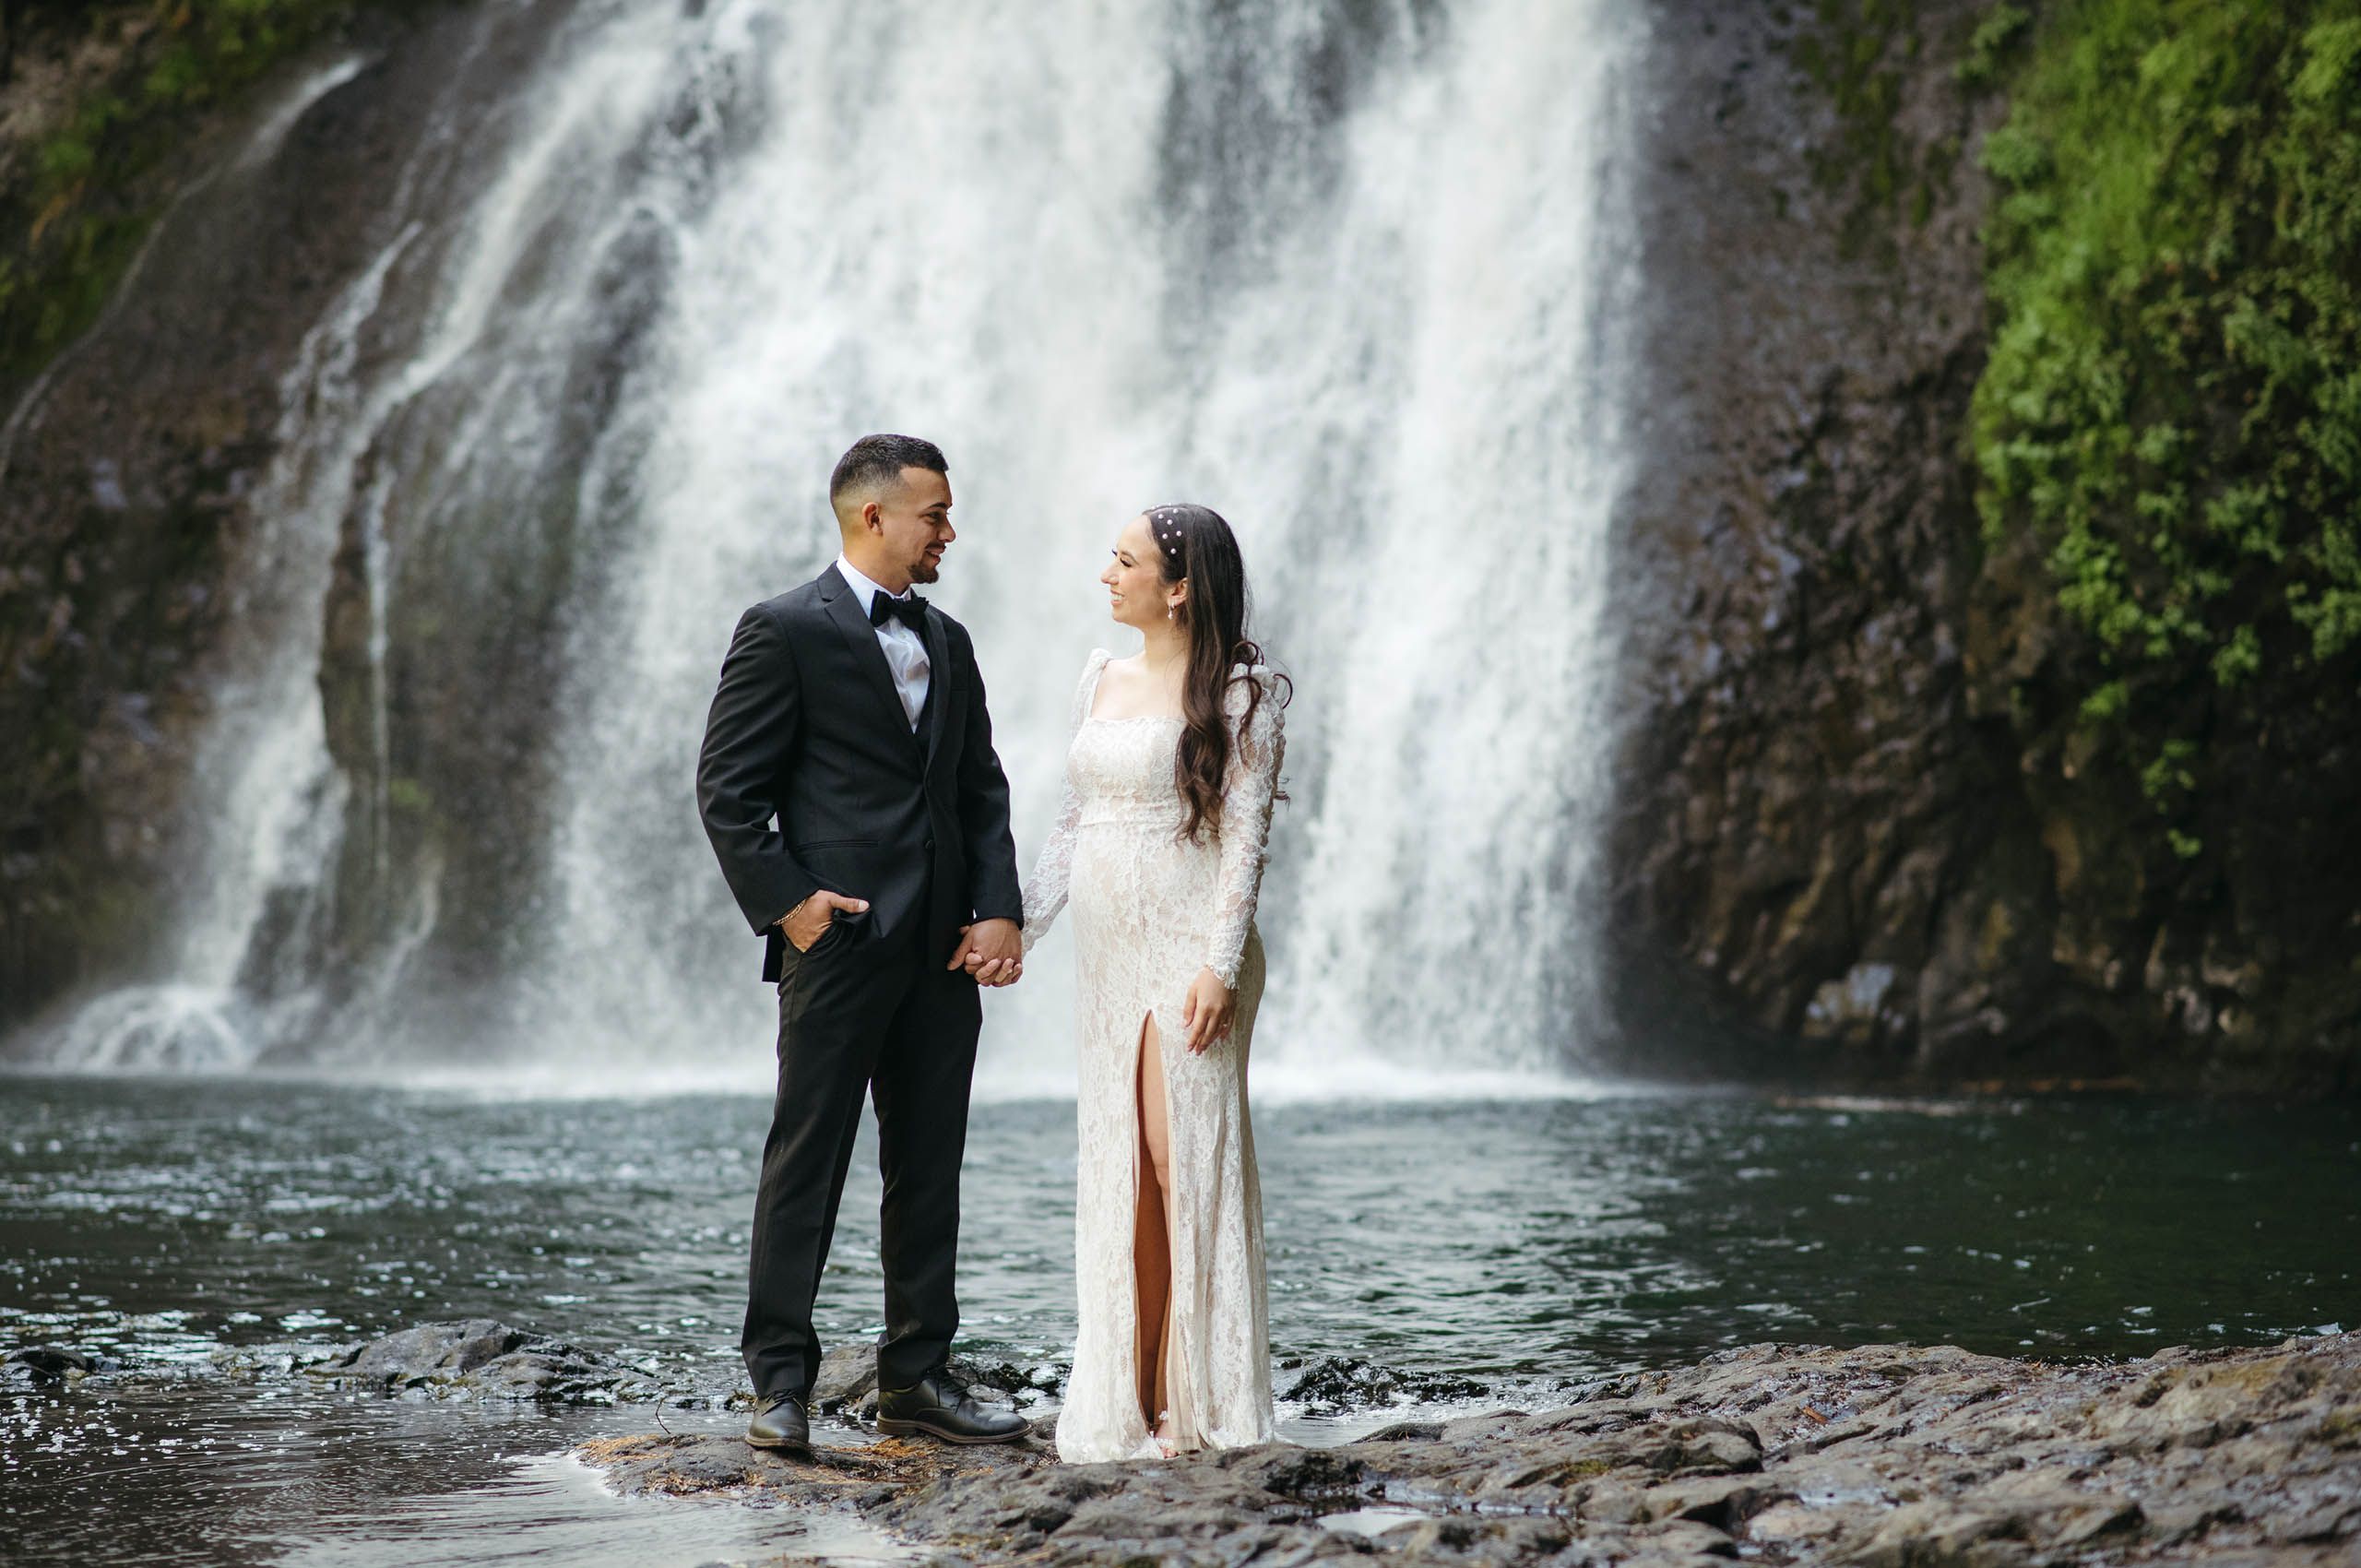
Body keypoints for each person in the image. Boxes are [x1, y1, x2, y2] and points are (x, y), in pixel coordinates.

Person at [695, 433, 1031, 1457]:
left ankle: (918, 1374)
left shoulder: (954, 639)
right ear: (873, 516)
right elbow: (727, 789)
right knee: (809, 1158)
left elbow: (978, 786)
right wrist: (791, 904)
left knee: (928, 1164)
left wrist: (998, 906)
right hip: (836, 941)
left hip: (941, 948)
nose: (950, 529)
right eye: (935, 512)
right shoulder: (784, 627)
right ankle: (780, 1383)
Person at [1021, 503, 1289, 1462]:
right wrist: (1016, 924)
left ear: (1178, 586)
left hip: (1192, 950)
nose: (1106, 573)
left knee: (1184, 1163)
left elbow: (1245, 840)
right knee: (1125, 1168)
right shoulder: (1100, 676)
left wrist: (1219, 964)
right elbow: (1072, 824)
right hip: (1108, 954)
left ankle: (1197, 1401)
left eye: (1123, 560)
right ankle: (1129, 1398)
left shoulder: (1242, 696)